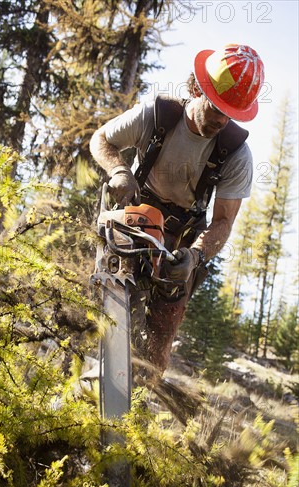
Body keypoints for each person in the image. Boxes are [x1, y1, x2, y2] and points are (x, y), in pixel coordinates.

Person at [89, 44, 265, 374]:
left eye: (230, 114)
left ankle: (138, 403)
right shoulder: (157, 116)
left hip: (183, 239)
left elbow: (224, 221)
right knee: (115, 298)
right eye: (216, 108)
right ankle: (93, 361)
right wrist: (119, 171)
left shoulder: (236, 153)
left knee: (159, 343)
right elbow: (101, 139)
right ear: (197, 88)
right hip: (136, 216)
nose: (221, 120)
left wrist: (195, 256)